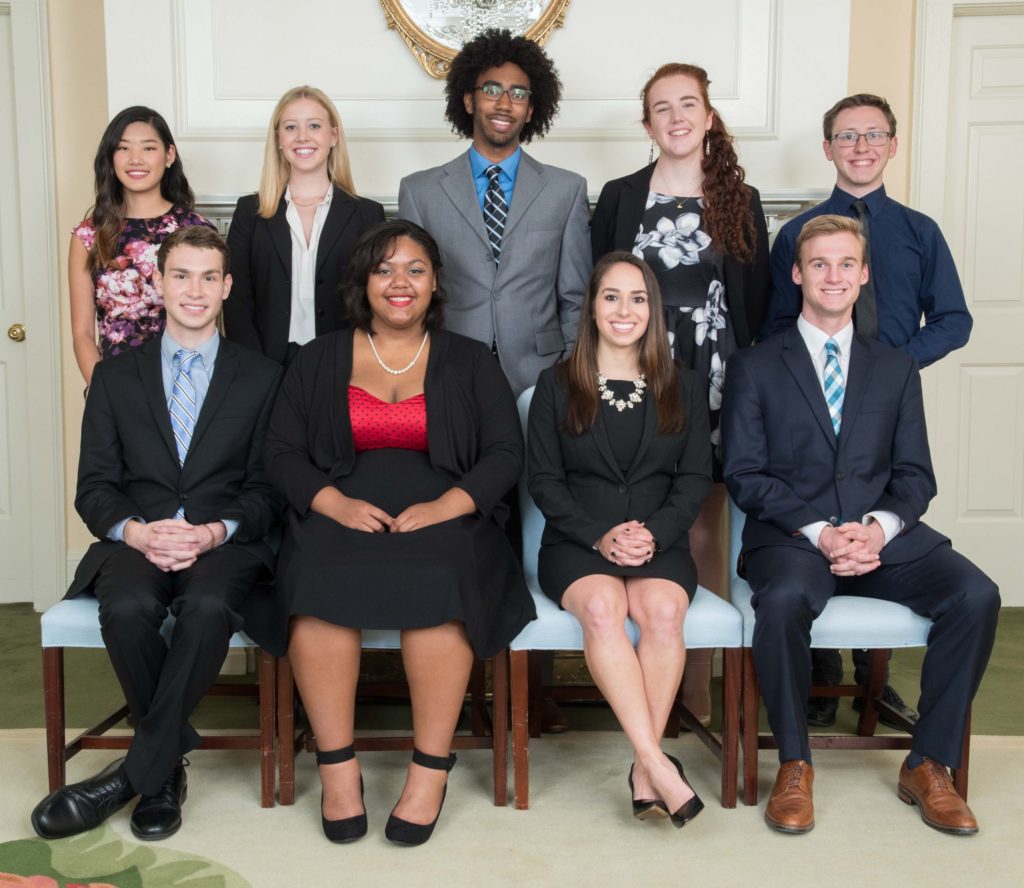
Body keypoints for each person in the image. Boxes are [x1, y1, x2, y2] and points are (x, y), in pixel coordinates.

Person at [722, 215, 999, 835]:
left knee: (976, 595)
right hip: (792, 539)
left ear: (865, 274)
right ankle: (795, 762)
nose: (833, 275)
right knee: (787, 599)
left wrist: (876, 529)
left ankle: (929, 762)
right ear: (796, 273)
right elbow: (744, 474)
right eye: (818, 263)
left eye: (847, 264)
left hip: (884, 538)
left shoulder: (895, 367)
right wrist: (821, 531)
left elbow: (916, 475)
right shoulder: (756, 367)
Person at [263, 219, 534, 846]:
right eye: (384, 269)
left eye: (415, 268)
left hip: (447, 517)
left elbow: (503, 453)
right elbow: (279, 451)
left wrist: (447, 505)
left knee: (441, 576)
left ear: (436, 281)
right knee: (319, 576)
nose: (399, 282)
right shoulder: (317, 357)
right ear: (362, 281)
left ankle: (429, 771)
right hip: (338, 511)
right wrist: (332, 503)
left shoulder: (470, 359)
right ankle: (338, 770)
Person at [32, 226, 283, 841]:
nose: (194, 290)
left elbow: (270, 490)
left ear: (225, 287)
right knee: (126, 605)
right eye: (180, 275)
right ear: (159, 283)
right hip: (137, 540)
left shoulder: (264, 377)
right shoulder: (116, 378)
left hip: (224, 545)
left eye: (208, 277)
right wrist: (138, 534)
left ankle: (134, 775)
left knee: (204, 605)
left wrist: (214, 533)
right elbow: (93, 488)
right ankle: (163, 764)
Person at [759, 94, 972, 728]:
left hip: (885, 407)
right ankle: (818, 672)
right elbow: (773, 322)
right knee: (819, 518)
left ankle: (873, 677)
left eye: (873, 135)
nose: (860, 147)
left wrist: (888, 368)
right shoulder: (798, 233)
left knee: (882, 524)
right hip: (808, 402)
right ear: (827, 148)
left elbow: (955, 320)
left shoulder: (918, 231)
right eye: (846, 137)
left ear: (891, 146)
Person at [590, 62, 769, 725]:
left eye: (687, 104)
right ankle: (634, 685)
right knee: (633, 504)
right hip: (635, 374)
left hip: (717, 377)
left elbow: (755, 304)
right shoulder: (618, 197)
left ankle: (694, 689)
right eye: (661, 108)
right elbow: (600, 292)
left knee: (699, 527)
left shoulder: (740, 200)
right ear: (647, 124)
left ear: (709, 117)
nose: (676, 117)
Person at [527, 251, 713, 827]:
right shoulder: (555, 385)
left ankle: (642, 765)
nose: (624, 310)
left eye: (638, 298)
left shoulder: (683, 385)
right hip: (575, 545)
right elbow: (545, 482)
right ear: (591, 307)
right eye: (611, 296)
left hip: (662, 543)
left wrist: (652, 535)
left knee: (660, 609)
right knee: (605, 608)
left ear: (653, 311)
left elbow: (694, 479)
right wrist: (600, 536)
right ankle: (657, 762)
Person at [398, 27, 591, 398]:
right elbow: (411, 295)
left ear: (531, 109)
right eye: (491, 90)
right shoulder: (419, 191)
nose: (505, 103)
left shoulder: (566, 190)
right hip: (448, 368)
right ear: (469, 100)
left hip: (541, 374)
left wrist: (566, 369)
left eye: (518, 94)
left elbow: (576, 297)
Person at [224, 85, 385, 365]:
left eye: (314, 125)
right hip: (265, 363)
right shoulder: (249, 212)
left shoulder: (367, 215)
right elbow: (236, 301)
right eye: (290, 127)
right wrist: (254, 368)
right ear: (278, 139)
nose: (302, 137)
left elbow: (372, 302)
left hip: (344, 362)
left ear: (333, 135)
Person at [69, 106, 213, 385]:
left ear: (169, 155)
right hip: (116, 385)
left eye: (148, 148)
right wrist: (101, 393)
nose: (136, 160)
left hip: (186, 385)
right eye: (123, 148)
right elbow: (82, 334)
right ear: (111, 158)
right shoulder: (88, 236)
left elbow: (210, 322)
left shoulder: (194, 229)